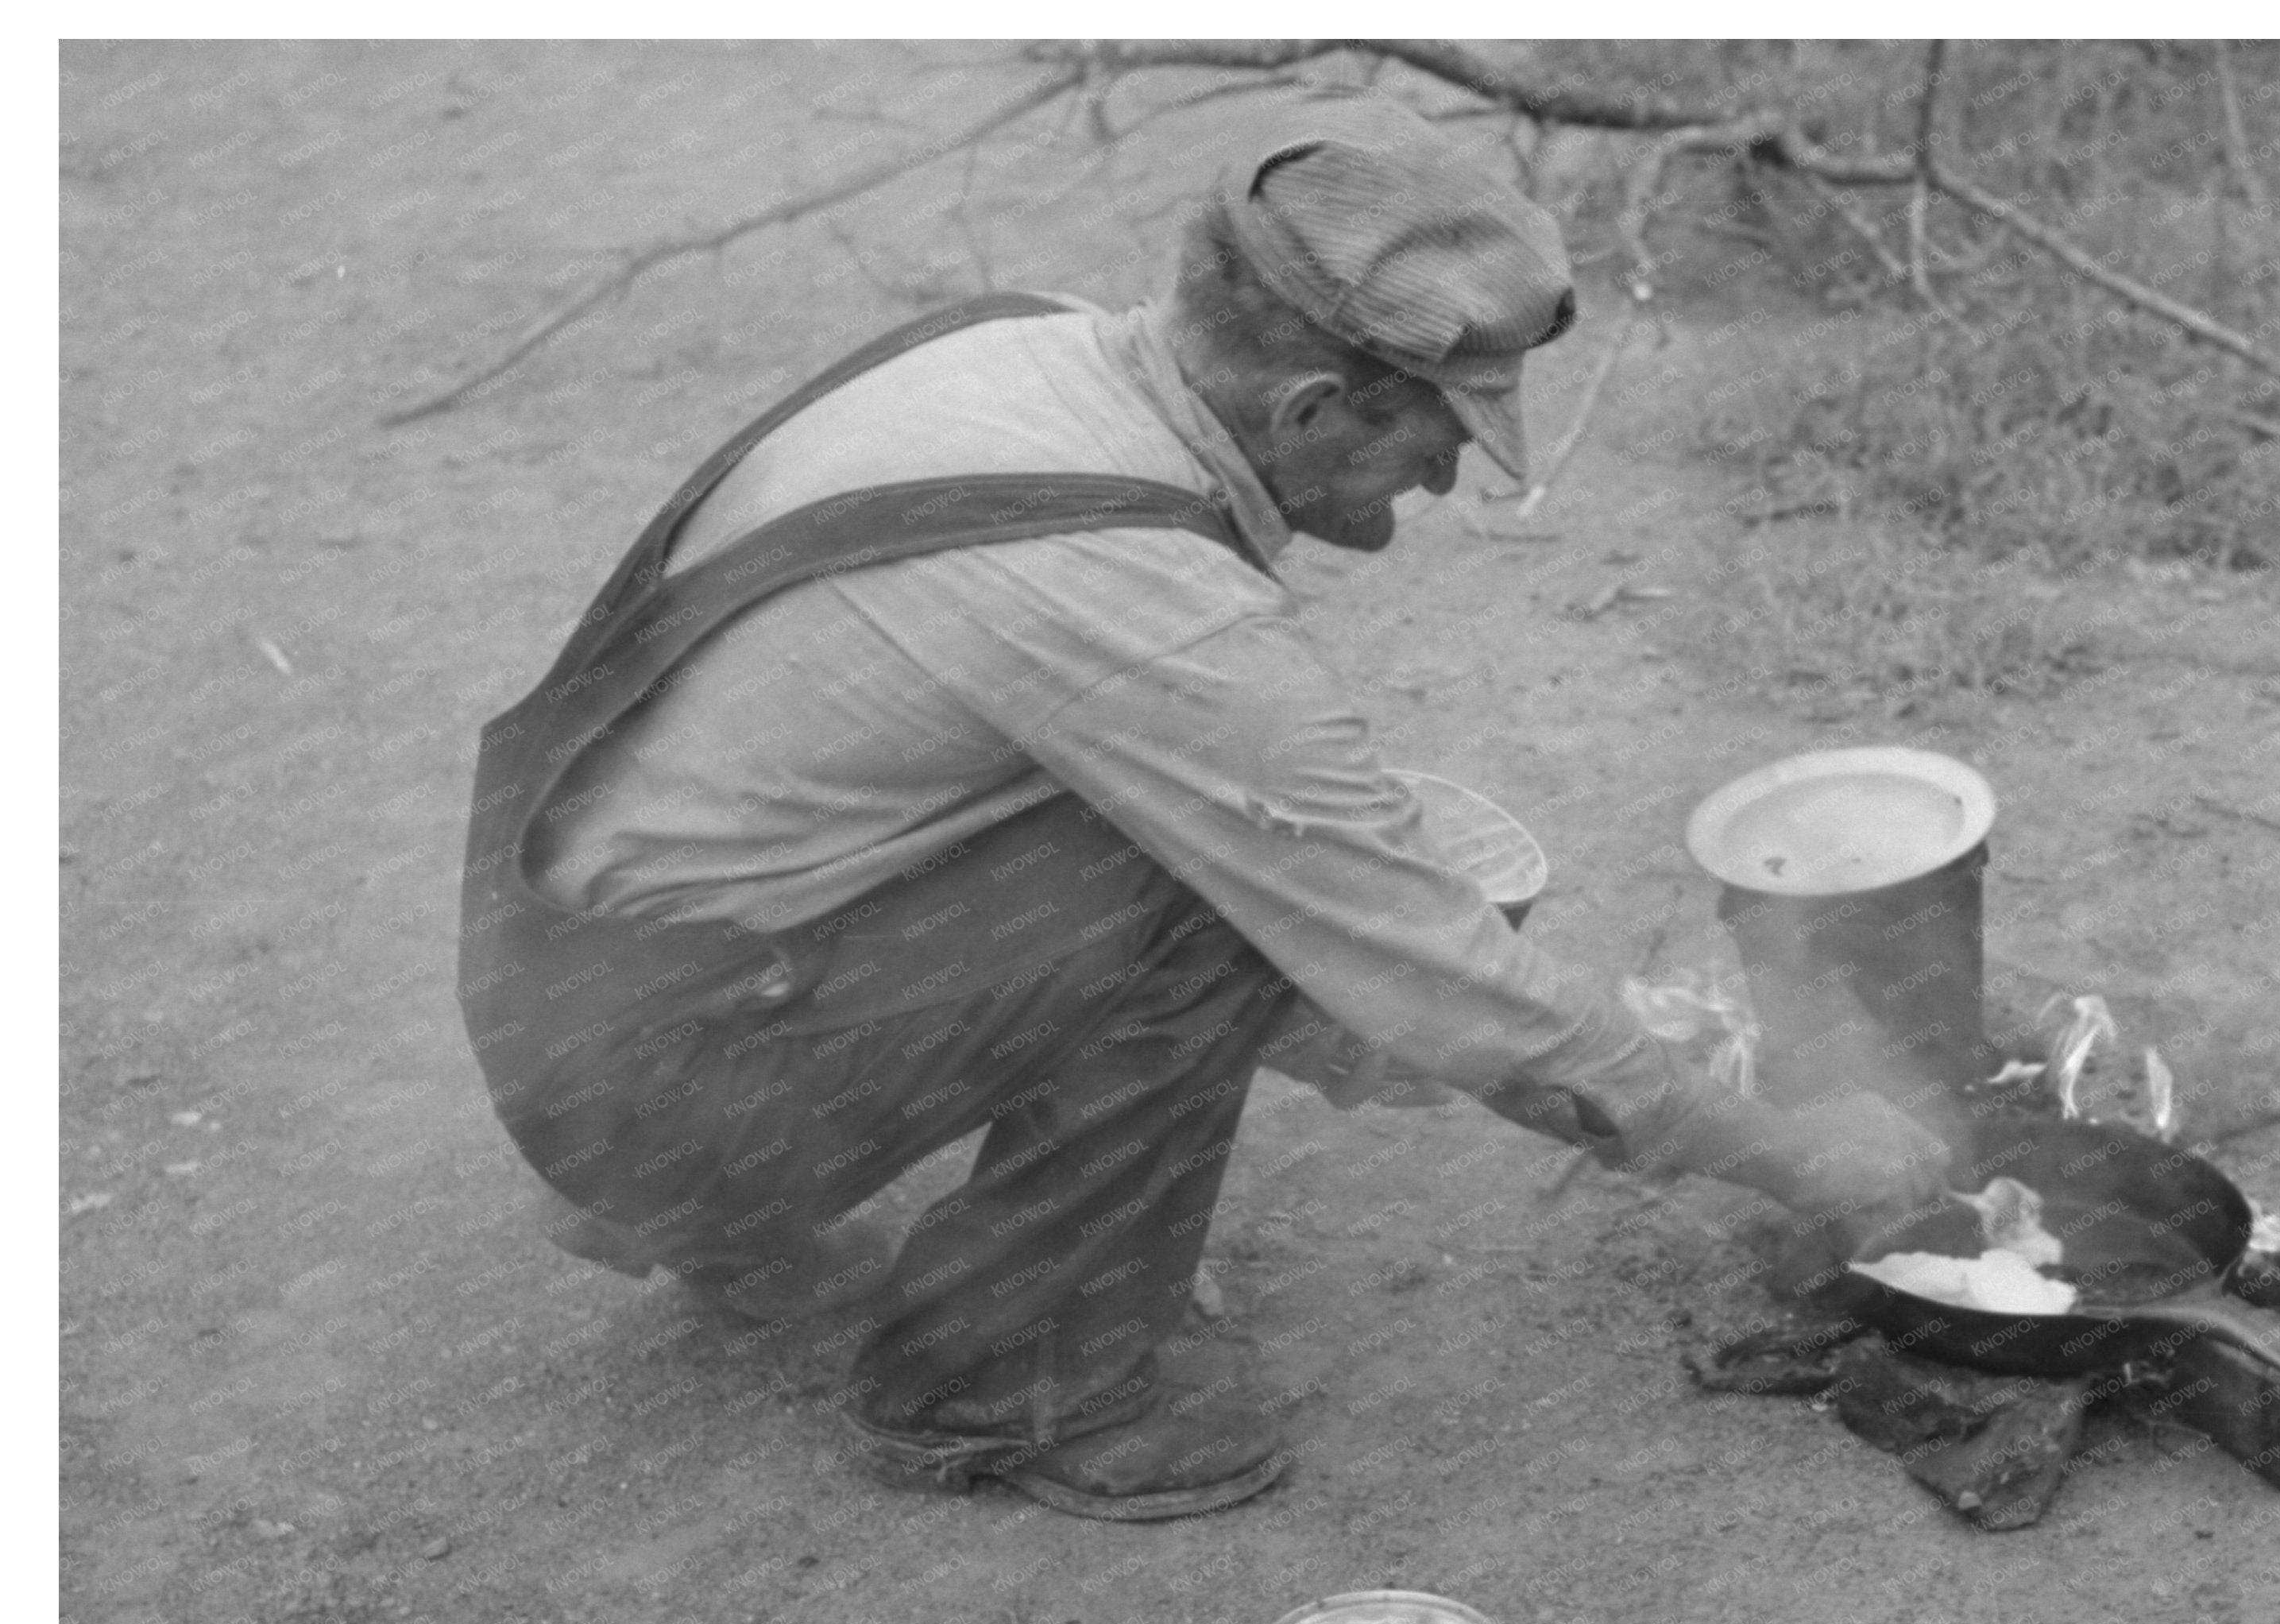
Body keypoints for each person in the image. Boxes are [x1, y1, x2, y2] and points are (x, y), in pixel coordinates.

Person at [457, 90, 1953, 1523]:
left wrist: (1344, 1010)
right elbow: (1441, 978)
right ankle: (1015, 1383)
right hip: (651, 1075)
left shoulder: (1032, 348)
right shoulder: (1139, 600)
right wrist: (1790, 1153)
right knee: (1217, 895)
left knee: (1244, 865)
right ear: (1309, 406)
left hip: (589, 977)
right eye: (1442, 434)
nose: (1444, 482)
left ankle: (696, 1211)